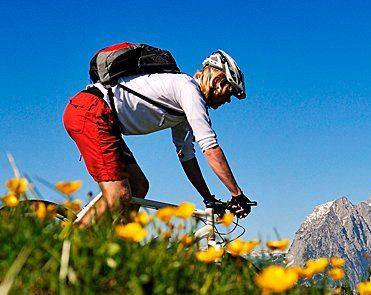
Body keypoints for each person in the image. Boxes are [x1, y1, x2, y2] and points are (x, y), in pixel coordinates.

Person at [63, 48, 253, 226]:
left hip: (103, 119)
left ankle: (119, 246)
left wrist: (208, 198)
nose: (228, 100)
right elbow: (210, 148)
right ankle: (67, 248)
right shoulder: (188, 89)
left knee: (139, 186)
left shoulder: (185, 110)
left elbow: (187, 157)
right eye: (229, 93)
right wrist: (237, 194)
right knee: (118, 196)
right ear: (217, 83)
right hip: (91, 112)